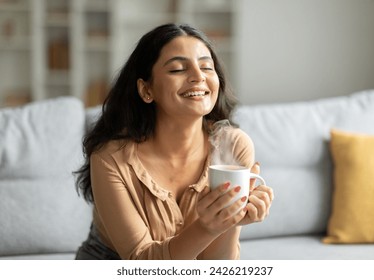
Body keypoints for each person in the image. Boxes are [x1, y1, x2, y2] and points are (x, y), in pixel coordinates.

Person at [74, 23, 274, 260]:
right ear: (146, 90)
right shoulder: (111, 157)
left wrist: (229, 222)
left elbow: (217, 267)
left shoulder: (233, 146)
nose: (198, 77)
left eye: (206, 67)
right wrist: (207, 227)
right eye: (178, 69)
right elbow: (141, 264)